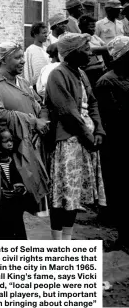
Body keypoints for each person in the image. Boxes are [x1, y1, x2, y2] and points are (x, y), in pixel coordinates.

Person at [45, 33, 106, 241]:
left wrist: (99, 130)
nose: (90, 53)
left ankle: (67, 242)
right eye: (86, 49)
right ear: (73, 53)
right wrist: (89, 137)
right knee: (62, 195)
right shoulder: (58, 75)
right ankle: (58, 244)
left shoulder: (81, 73)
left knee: (74, 195)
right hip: (68, 141)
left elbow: (93, 102)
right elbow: (68, 112)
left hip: (85, 140)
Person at [0, 42, 49, 218]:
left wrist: (41, 119)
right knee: (7, 205)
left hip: (30, 147)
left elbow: (39, 105)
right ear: (3, 61)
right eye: (17, 57)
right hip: (9, 152)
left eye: (23, 57)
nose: (23, 62)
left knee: (23, 201)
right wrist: (32, 121)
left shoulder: (24, 83)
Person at [95, 36, 129, 252]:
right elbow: (114, 118)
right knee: (121, 191)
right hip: (118, 146)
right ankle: (123, 237)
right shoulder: (106, 81)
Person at [0, 126, 28, 240]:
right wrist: (0, 191)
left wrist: (20, 188)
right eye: (6, 141)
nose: (10, 144)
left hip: (14, 208)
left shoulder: (14, 160)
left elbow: (21, 180)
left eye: (11, 140)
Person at [79, 15, 108, 88]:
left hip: (101, 69)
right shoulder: (80, 39)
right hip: (89, 72)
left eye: (94, 27)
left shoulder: (95, 37)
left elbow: (106, 47)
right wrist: (103, 49)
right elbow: (92, 50)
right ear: (83, 27)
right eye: (91, 27)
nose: (94, 29)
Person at [24, 22, 51, 89]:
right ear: (36, 34)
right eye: (43, 33)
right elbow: (27, 70)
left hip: (48, 85)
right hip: (36, 86)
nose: (46, 35)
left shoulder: (46, 50)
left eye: (46, 33)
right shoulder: (30, 50)